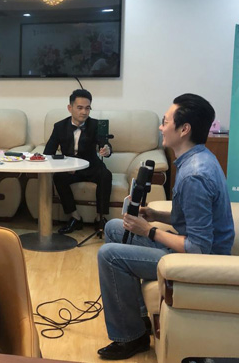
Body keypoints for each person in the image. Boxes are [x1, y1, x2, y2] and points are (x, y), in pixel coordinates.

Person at [96, 93, 235, 360]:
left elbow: (198, 248)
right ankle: (139, 318)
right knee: (115, 227)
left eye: (165, 121)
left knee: (109, 255)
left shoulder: (195, 175)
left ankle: (130, 337)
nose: (161, 127)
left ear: (184, 129)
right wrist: (154, 214)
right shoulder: (196, 158)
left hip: (202, 262)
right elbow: (192, 218)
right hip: (194, 249)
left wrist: (148, 230)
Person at [44, 89, 113, 234]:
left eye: (87, 108)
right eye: (80, 108)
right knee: (58, 177)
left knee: (105, 175)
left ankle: (100, 218)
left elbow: (105, 144)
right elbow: (48, 152)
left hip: (91, 166)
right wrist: (63, 166)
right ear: (70, 108)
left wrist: (106, 149)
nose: (84, 112)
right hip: (70, 168)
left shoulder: (96, 125)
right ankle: (75, 217)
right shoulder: (59, 126)